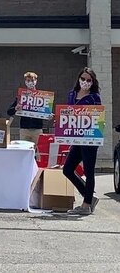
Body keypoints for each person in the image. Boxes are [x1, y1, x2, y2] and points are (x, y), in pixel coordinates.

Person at [62, 67, 101, 215]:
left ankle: (86, 205)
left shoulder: (94, 97)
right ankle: (89, 196)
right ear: (79, 79)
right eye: (83, 79)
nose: (85, 82)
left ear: (93, 82)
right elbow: (68, 113)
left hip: (90, 138)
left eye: (89, 80)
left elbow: (98, 117)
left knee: (89, 172)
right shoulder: (72, 94)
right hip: (77, 137)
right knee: (67, 169)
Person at [6, 71, 44, 144]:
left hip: (37, 129)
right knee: (24, 150)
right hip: (24, 129)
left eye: (32, 80)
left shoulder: (42, 97)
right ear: (25, 82)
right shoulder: (21, 97)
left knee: (38, 152)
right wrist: (15, 108)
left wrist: (49, 115)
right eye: (28, 80)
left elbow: (47, 112)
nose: (30, 83)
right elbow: (9, 112)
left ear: (36, 81)